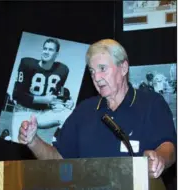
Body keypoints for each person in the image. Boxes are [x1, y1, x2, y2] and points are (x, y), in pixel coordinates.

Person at [18, 39, 176, 179]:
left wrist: (159, 159)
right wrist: (33, 141)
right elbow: (58, 158)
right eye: (92, 72)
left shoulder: (150, 103)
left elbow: (169, 146)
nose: (97, 78)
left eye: (102, 69)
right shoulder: (84, 110)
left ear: (123, 68)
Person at [11, 38, 74, 143]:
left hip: (43, 114)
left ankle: (55, 142)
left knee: (71, 115)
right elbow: (17, 95)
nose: (46, 51)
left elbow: (56, 92)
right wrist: (43, 100)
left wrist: (68, 100)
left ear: (56, 54)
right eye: (45, 48)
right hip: (23, 112)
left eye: (50, 50)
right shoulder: (27, 64)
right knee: (18, 145)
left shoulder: (62, 70)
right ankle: (8, 137)